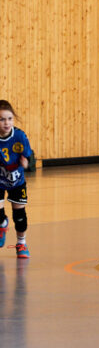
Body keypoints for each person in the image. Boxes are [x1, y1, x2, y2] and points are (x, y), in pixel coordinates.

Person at [0, 101, 33, 258]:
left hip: (16, 180)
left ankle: (21, 243)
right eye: (2, 119)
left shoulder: (19, 135)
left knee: (20, 217)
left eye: (9, 118)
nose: (7, 123)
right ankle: (2, 225)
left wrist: (27, 163)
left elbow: (29, 156)